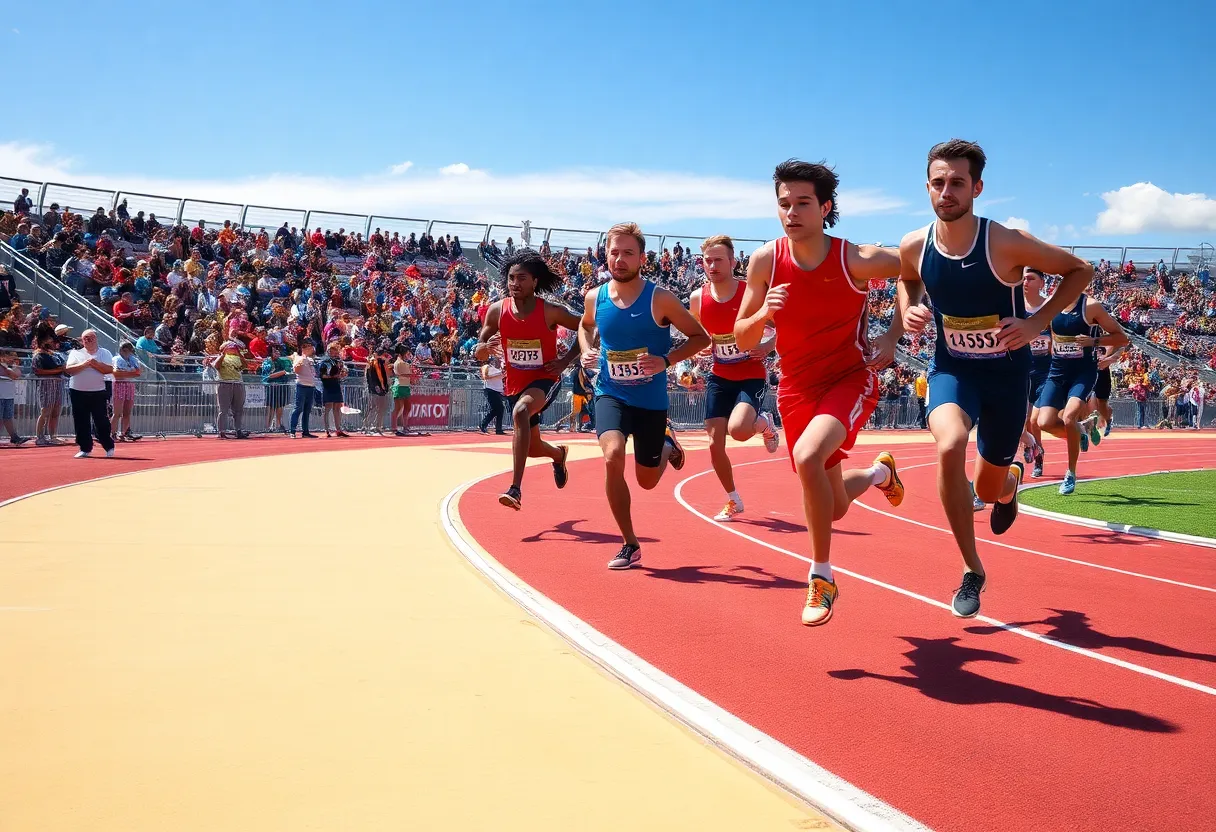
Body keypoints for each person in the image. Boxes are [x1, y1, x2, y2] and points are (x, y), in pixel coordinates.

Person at [897, 139, 1092, 618]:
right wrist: (908, 311)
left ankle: (1008, 484)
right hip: (953, 370)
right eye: (938, 183)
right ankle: (972, 569)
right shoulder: (914, 245)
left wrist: (1035, 322)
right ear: (927, 188)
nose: (947, 191)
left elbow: (1078, 270)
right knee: (948, 447)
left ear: (976, 188)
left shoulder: (1003, 241)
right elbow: (907, 280)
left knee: (986, 489)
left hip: (1006, 378)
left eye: (957, 183)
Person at [735, 160, 906, 626]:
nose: (791, 212)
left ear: (825, 207)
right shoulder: (766, 261)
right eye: (784, 204)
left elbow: (915, 268)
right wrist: (762, 316)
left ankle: (821, 577)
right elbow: (743, 338)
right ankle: (878, 475)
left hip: (848, 378)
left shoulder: (855, 258)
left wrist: (891, 337)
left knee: (809, 456)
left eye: (803, 203)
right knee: (834, 509)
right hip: (794, 387)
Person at [579, 223, 710, 568]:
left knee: (647, 482)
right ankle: (630, 543)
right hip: (611, 392)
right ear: (604, 254)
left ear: (641, 257)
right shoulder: (595, 297)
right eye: (614, 252)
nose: (619, 260)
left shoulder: (660, 298)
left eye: (627, 253)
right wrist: (584, 350)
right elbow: (585, 325)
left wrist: (665, 360)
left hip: (651, 402)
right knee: (612, 456)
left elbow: (701, 338)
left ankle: (667, 444)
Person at [475, 250, 582, 509]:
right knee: (532, 448)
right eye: (511, 278)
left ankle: (515, 489)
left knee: (521, 411)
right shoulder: (497, 311)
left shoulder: (551, 311)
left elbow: (588, 328)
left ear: (535, 282)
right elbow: (479, 351)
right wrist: (484, 349)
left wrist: (565, 360)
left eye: (521, 278)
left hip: (545, 378)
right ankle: (558, 455)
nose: (515, 283)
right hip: (514, 382)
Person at [688, 234, 778, 522]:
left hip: (750, 373)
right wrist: (701, 351)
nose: (712, 265)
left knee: (739, 431)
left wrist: (767, 345)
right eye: (707, 260)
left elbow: (784, 325)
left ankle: (765, 424)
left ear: (732, 261)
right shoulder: (697, 298)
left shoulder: (749, 293)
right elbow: (699, 336)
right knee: (714, 444)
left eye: (718, 260)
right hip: (719, 375)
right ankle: (733, 500)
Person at [1036, 289, 1128, 494]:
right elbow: (1043, 329)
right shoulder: (1052, 303)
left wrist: (1093, 342)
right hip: (1057, 372)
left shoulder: (1091, 306)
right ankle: (1082, 430)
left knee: (1069, 417)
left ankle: (1070, 473)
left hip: (1083, 373)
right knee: (1044, 422)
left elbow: (1122, 338)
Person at [63, 329, 116, 458]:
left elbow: (109, 369)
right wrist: (85, 364)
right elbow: (70, 370)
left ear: (96, 338)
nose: (87, 340)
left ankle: (108, 446)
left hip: (98, 391)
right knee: (81, 421)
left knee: (101, 420)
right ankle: (85, 447)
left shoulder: (104, 353)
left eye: (90, 337)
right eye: (85, 338)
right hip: (77, 391)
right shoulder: (75, 353)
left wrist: (95, 364)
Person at [1022, 268, 1051, 478]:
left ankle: (1039, 456)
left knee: (1035, 420)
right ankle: (1029, 444)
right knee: (1023, 420)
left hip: (1045, 368)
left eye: (1030, 278)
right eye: (1022, 278)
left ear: (1041, 283)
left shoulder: (1050, 306)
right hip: (1022, 367)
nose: (1025, 282)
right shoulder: (1014, 306)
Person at [1088, 325, 1126, 438]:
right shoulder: (1086, 340)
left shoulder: (1107, 341)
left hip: (1103, 374)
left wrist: (1109, 359)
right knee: (1087, 400)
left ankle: (1108, 420)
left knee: (1102, 404)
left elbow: (1122, 346)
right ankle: (1090, 427)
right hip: (1088, 373)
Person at [209, 340, 249, 439]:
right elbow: (217, 366)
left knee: (238, 409)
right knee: (223, 410)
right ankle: (221, 431)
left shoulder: (237, 357)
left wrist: (239, 354)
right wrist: (222, 355)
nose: (232, 348)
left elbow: (245, 366)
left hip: (237, 383)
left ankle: (238, 430)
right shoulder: (219, 357)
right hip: (224, 383)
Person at [110, 341, 142, 442]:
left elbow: (138, 373)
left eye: (129, 350)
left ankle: (123, 433)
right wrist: (129, 373)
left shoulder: (132, 359)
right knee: (117, 412)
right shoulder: (116, 359)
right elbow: (116, 373)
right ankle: (113, 433)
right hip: (119, 385)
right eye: (125, 350)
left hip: (129, 385)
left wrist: (126, 373)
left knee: (127, 412)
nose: (127, 352)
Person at [318, 341, 349, 438]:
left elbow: (343, 372)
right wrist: (333, 376)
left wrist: (342, 375)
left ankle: (338, 429)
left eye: (336, 351)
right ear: (329, 352)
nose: (335, 353)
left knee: (337, 408)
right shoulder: (324, 363)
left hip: (336, 385)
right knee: (327, 408)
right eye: (333, 351)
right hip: (328, 386)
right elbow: (322, 376)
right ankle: (326, 430)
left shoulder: (339, 362)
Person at [260, 343, 293, 434]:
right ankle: (267, 426)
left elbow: (288, 370)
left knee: (280, 406)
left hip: (281, 386)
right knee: (270, 406)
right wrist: (282, 372)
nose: (277, 352)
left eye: (278, 350)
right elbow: (268, 376)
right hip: (271, 386)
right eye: (275, 350)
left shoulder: (282, 361)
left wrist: (283, 372)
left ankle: (278, 425)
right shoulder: (267, 362)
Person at [290, 340, 319, 438]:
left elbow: (313, 372)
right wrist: (302, 359)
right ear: (304, 349)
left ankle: (305, 431)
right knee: (298, 408)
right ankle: (292, 431)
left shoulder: (311, 360)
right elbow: (296, 370)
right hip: (302, 385)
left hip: (310, 386)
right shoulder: (299, 358)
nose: (311, 349)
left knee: (307, 410)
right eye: (309, 347)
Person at [0, 348, 27, 446]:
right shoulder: (4, 367)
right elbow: (10, 374)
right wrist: (6, 368)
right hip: (1, 395)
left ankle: (14, 437)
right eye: (7, 356)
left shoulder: (9, 366)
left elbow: (16, 375)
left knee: (7, 417)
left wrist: (10, 367)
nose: (11, 358)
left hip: (8, 395)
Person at [363, 344, 392, 435]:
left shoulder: (382, 363)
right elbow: (369, 377)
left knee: (381, 408)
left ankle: (378, 426)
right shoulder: (371, 363)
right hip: (374, 388)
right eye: (380, 354)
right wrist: (374, 386)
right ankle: (366, 425)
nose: (382, 356)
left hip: (382, 387)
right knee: (373, 407)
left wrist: (386, 386)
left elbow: (386, 376)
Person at [391, 346, 416, 437]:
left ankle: (405, 426)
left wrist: (412, 377)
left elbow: (409, 376)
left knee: (407, 407)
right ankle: (394, 428)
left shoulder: (405, 363)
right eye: (407, 353)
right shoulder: (398, 363)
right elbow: (400, 374)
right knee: (398, 408)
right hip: (399, 386)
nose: (408, 355)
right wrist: (412, 375)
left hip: (405, 386)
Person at [479, 354, 507, 435]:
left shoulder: (499, 369)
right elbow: (485, 376)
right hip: (490, 390)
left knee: (498, 410)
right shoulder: (486, 367)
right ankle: (484, 424)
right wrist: (499, 374)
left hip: (498, 391)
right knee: (497, 409)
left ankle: (497, 429)